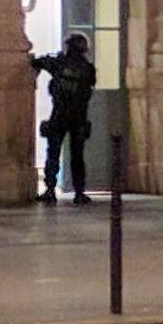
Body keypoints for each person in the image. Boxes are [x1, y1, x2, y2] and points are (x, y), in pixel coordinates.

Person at [31, 33, 97, 205]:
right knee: (77, 156)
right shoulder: (88, 69)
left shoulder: (59, 63)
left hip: (60, 115)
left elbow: (38, 62)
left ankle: (50, 190)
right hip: (79, 117)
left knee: (53, 153)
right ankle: (79, 192)